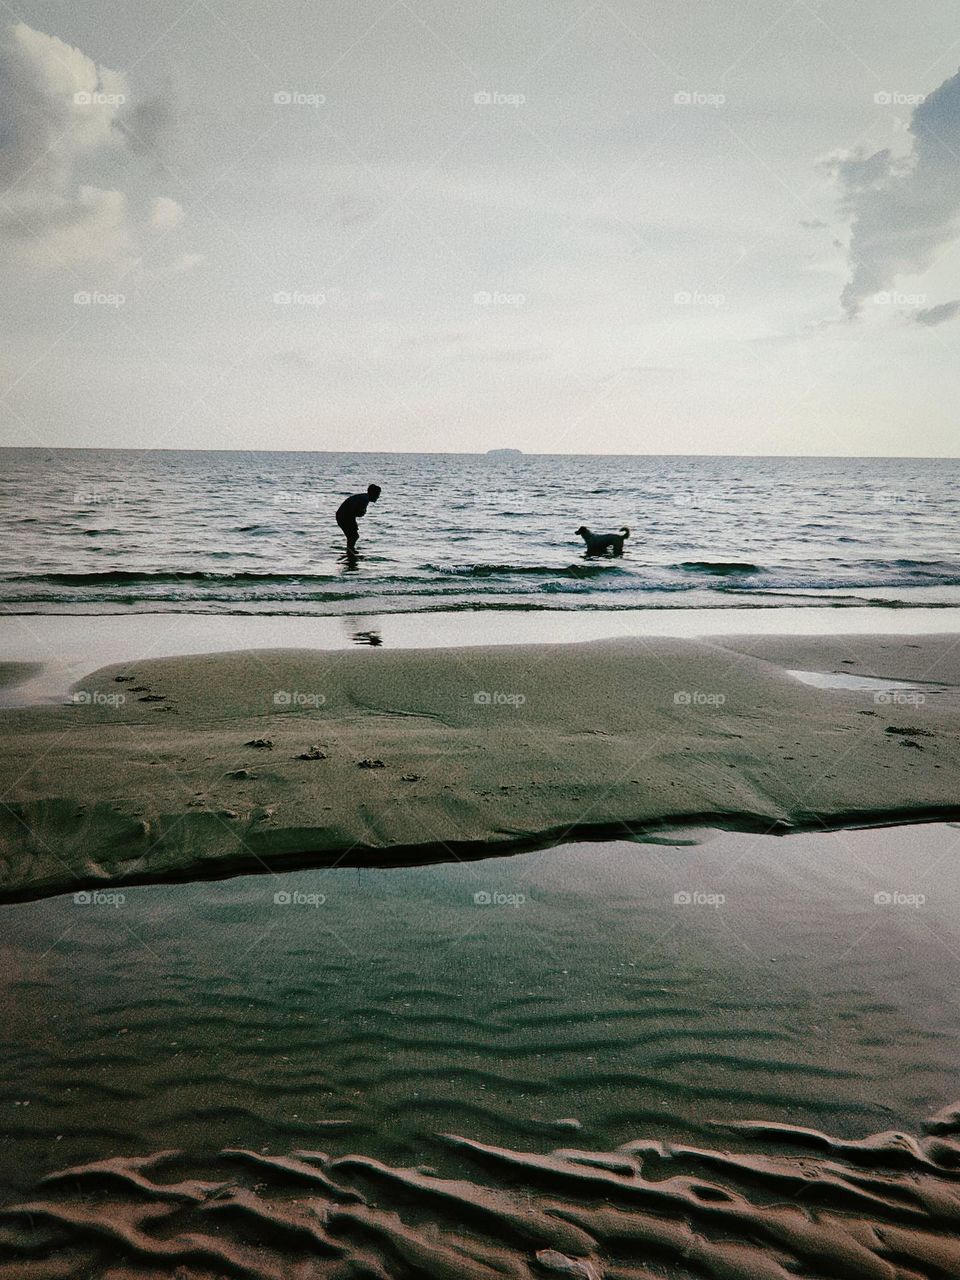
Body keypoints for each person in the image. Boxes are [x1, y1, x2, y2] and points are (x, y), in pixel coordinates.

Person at [335, 483, 381, 551]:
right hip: (345, 516)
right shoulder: (364, 499)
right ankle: (350, 550)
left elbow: (354, 510)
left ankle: (350, 549)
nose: (378, 497)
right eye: (377, 494)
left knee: (353, 536)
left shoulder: (364, 497)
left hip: (344, 516)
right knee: (354, 536)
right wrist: (361, 513)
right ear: (373, 493)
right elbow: (355, 512)